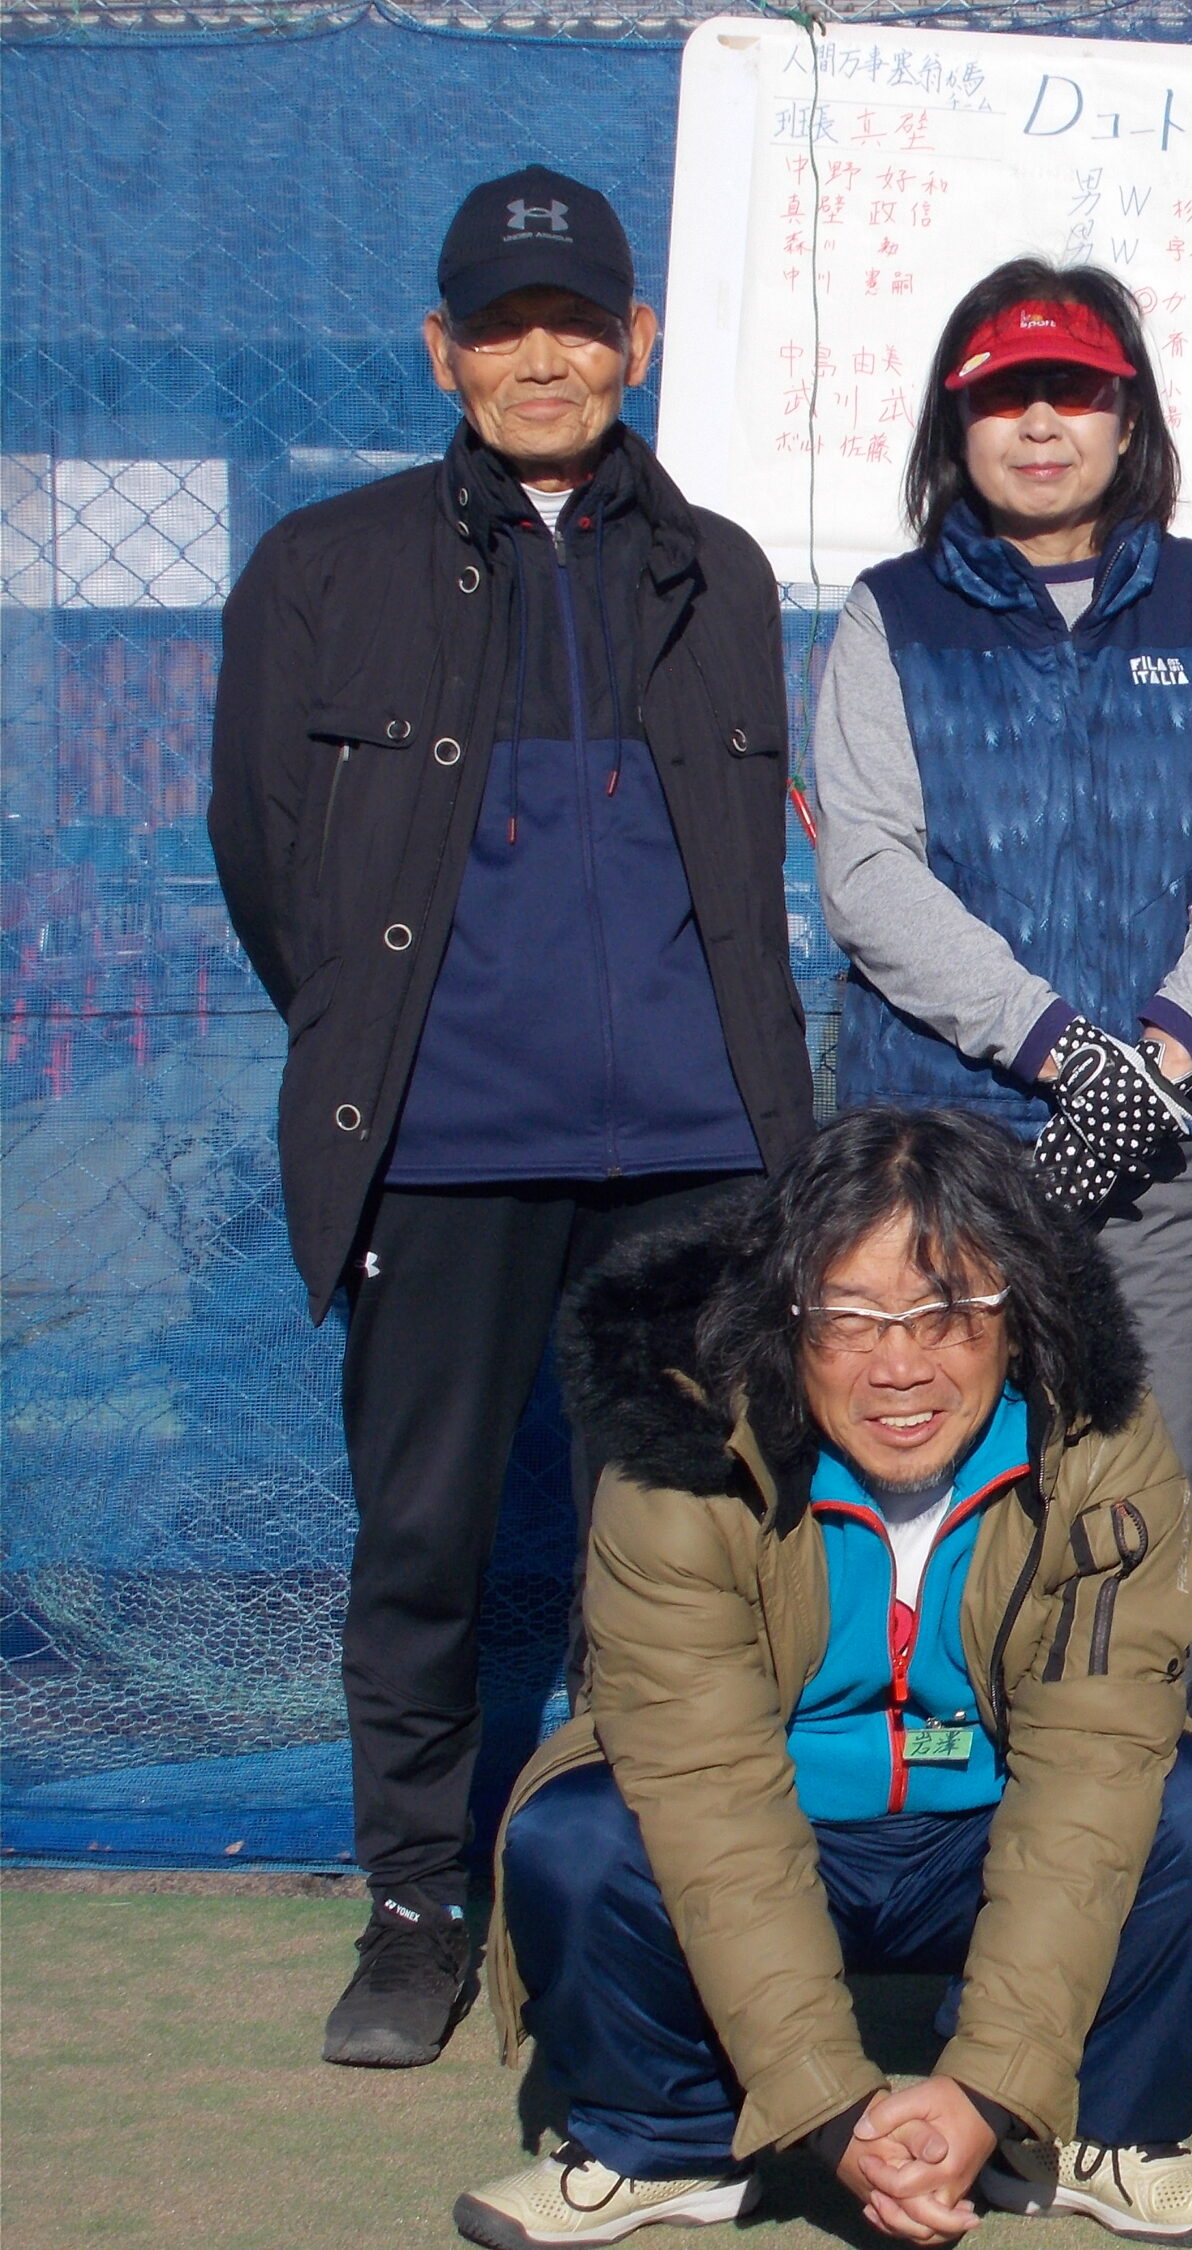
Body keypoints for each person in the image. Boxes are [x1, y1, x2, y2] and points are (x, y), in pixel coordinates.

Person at [206, 166, 815, 2068]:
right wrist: (400, 1047)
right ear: (442, 352)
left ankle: (689, 1882)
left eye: (574, 322)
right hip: (445, 1147)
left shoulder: (720, 568)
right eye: (500, 325)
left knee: (707, 1541)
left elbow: (742, 871)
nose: (540, 357)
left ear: (637, 340)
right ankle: (415, 1910)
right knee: (426, 1543)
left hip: (698, 1153)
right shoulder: (325, 567)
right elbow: (269, 863)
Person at [458, 1108, 1192, 2250]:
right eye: (848, 1318)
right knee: (579, 1835)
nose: (900, 1367)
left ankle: (1095, 2128)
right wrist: (835, 2116)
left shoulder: (1100, 1445)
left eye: (949, 1313)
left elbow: (1092, 1767)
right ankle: (665, 2140)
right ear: (783, 1314)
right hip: (772, 1815)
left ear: (1018, 1314)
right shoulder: (678, 1456)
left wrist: (988, 2092)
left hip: (991, 1820)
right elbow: (706, 1794)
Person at [812, 260, 1192, 1712]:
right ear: (953, 424)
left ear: (1127, 415)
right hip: (944, 1144)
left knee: (1151, 1502)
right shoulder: (891, 614)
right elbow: (870, 875)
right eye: (1005, 396)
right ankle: (941, 1803)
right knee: (941, 1493)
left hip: (1175, 1143)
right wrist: (1059, 1048)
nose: (1041, 425)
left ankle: (1143, 1816)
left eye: (1075, 391)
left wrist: (1157, 1059)